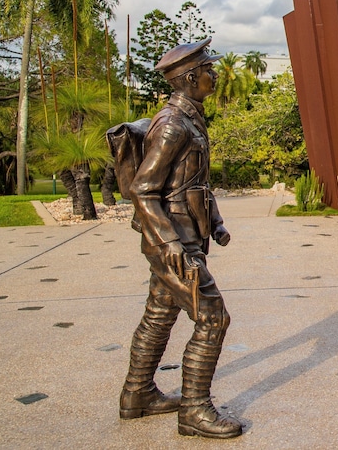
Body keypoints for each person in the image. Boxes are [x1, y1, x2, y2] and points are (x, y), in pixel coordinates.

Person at [117, 38, 242, 439]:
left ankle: (138, 396)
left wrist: (215, 221)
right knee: (212, 318)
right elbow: (144, 189)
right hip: (172, 241)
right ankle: (194, 410)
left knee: (160, 312)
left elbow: (194, 182)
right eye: (208, 69)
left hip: (185, 235)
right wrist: (171, 245)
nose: (214, 74)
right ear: (190, 78)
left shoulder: (190, 118)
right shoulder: (172, 125)